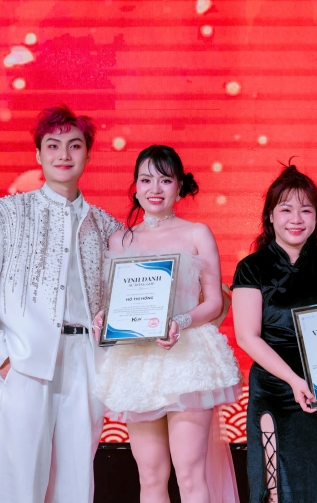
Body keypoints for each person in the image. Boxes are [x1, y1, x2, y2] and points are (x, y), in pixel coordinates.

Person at [0, 104, 123, 503]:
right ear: (38, 154)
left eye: (74, 145)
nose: (64, 155)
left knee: (76, 481)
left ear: (88, 154)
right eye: (53, 145)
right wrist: (1, 358)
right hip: (24, 361)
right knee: (19, 478)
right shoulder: (5, 214)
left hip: (85, 361)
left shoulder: (107, 226)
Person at [93, 145, 242, 503]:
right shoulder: (120, 240)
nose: (155, 189)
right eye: (146, 180)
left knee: (190, 475)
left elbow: (215, 302)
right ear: (135, 187)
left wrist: (180, 321)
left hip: (186, 358)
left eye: (165, 180)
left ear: (179, 186)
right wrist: (104, 317)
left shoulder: (197, 233)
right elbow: (117, 303)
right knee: (150, 476)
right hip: (137, 362)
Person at [232, 165, 317, 503]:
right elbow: (247, 337)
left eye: (306, 210)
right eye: (286, 209)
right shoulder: (251, 268)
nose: (296, 219)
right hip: (275, 391)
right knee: (275, 490)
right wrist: (294, 381)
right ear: (270, 216)